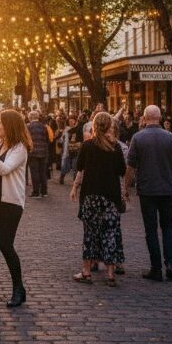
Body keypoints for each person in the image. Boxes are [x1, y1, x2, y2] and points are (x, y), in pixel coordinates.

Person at [123, 105, 172, 282]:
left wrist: (125, 186)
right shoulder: (171, 138)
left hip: (147, 189)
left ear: (144, 118)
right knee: (168, 226)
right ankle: (170, 264)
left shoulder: (138, 138)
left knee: (151, 229)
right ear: (160, 117)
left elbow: (131, 166)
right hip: (166, 188)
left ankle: (156, 268)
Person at [0, 109, 31, 308]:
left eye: (0, 122)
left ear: (9, 125)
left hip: (10, 202)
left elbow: (3, 169)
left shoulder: (20, 148)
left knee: (5, 244)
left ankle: (19, 288)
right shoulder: (0, 143)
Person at [70, 112, 126, 287]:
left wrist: (75, 187)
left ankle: (86, 272)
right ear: (109, 126)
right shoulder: (115, 146)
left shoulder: (87, 145)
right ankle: (110, 274)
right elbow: (121, 170)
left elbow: (79, 167)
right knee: (110, 232)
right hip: (110, 196)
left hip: (91, 196)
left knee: (90, 233)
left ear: (94, 126)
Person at [26, 111, 50, 198]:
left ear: (30, 118)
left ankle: (36, 192)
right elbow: (47, 139)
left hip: (33, 152)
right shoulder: (43, 126)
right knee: (42, 172)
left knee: (34, 172)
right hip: (43, 152)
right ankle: (44, 191)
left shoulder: (28, 127)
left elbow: (26, 140)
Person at [60, 115, 82, 185]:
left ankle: (75, 181)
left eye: (72, 121)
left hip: (76, 150)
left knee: (75, 166)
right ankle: (62, 178)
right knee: (65, 166)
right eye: (70, 121)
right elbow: (62, 140)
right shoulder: (67, 130)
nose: (71, 123)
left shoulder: (79, 129)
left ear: (75, 121)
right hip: (68, 151)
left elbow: (81, 139)